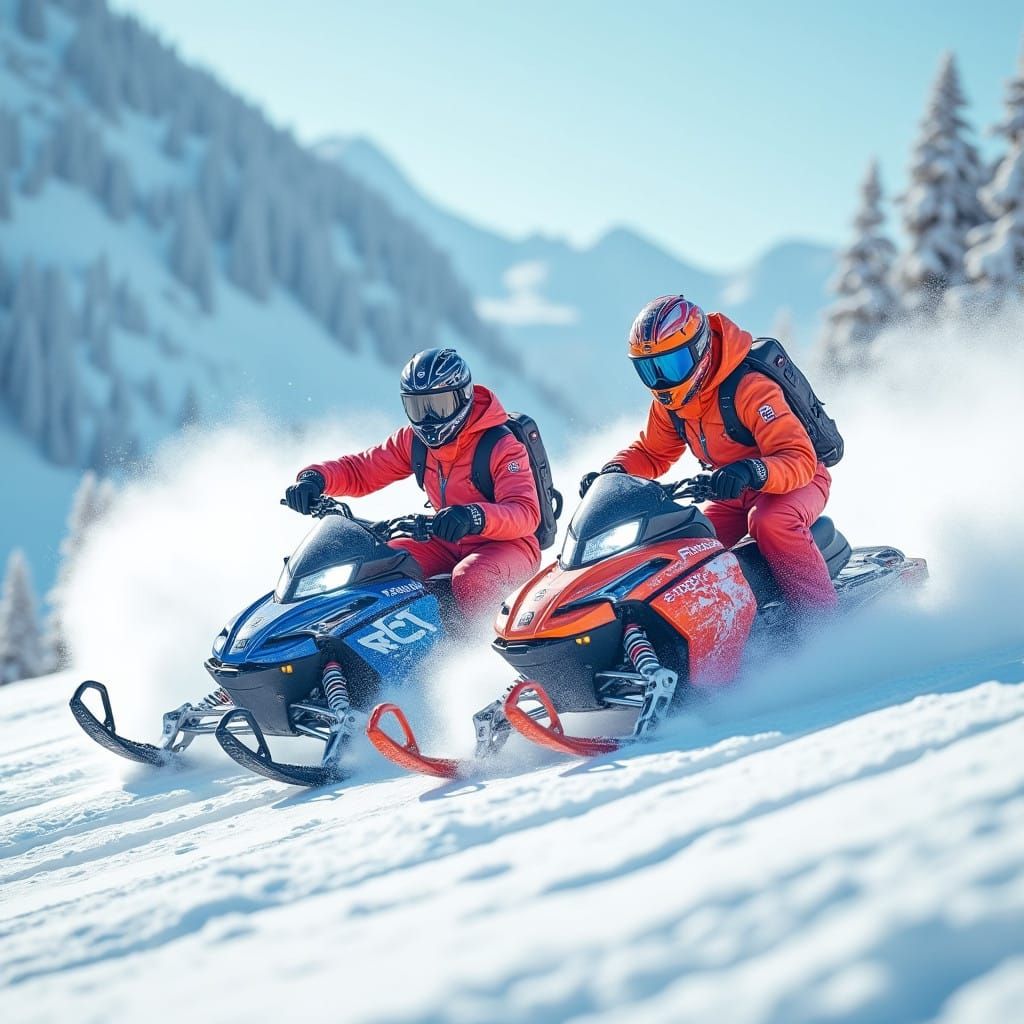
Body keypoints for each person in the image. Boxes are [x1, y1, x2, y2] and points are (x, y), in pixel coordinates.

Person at [581, 295, 838, 612]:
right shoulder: (671, 405)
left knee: (772, 521)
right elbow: (652, 453)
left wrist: (751, 471)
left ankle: (821, 617)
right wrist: (613, 476)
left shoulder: (749, 388)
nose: (662, 381)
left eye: (673, 365)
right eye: (650, 370)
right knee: (691, 546)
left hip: (798, 480)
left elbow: (798, 457)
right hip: (734, 490)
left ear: (700, 350)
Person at [284, 348, 541, 617]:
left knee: (471, 578)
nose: (429, 420)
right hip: (445, 539)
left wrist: (473, 516)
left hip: (509, 545)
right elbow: (361, 470)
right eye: (418, 408)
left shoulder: (500, 445)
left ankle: (482, 649)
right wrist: (315, 479)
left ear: (463, 397)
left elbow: (525, 513)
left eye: (440, 405)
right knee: (378, 565)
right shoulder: (414, 441)